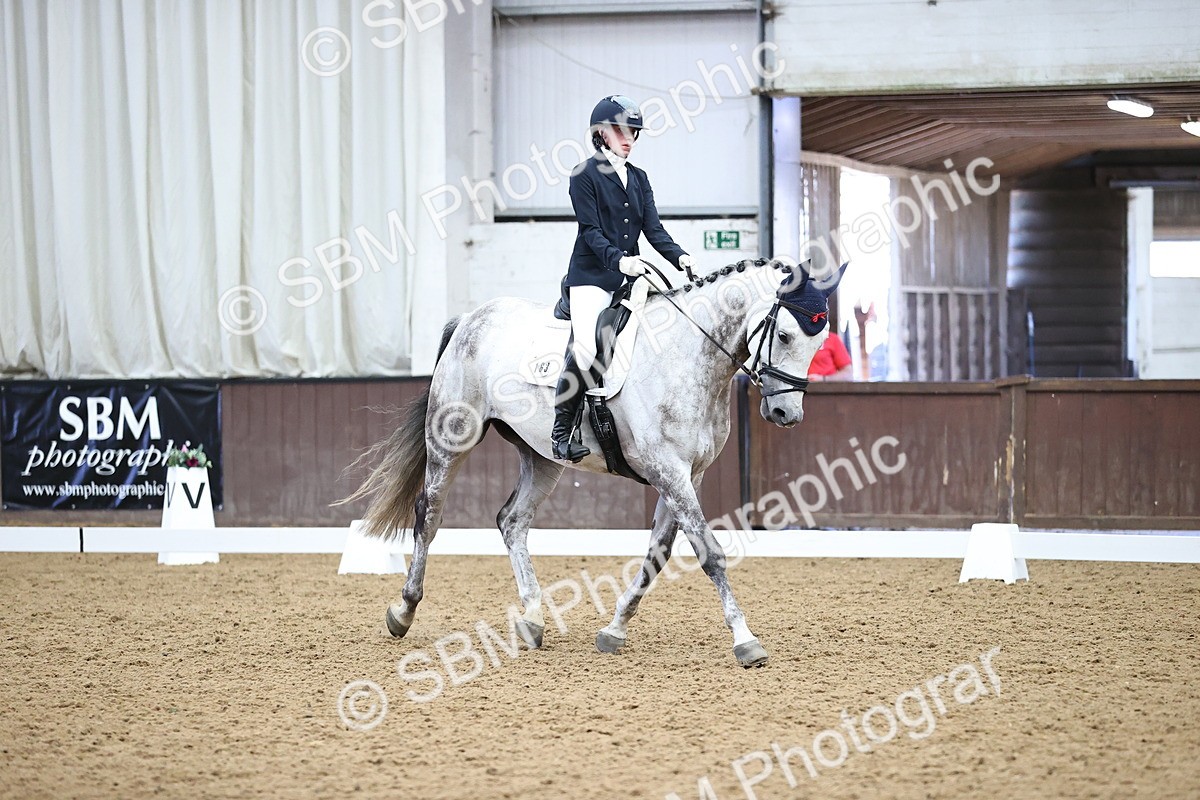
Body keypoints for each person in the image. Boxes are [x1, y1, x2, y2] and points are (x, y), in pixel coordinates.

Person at [550, 95, 695, 462]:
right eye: (620, 130)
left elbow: (653, 229)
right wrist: (621, 262)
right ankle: (561, 432)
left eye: (632, 130)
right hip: (592, 276)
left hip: (630, 276)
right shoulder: (584, 174)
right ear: (601, 133)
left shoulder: (639, 177)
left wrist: (680, 257)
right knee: (586, 348)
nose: (628, 137)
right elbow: (591, 231)